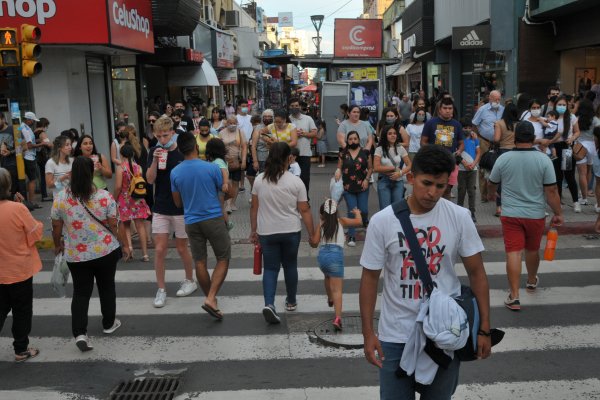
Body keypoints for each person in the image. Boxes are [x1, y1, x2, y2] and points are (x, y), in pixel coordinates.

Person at [360, 145, 491, 399]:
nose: (432, 193)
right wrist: (368, 334)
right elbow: (369, 278)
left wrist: (484, 328)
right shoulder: (383, 221)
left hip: (445, 333)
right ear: (410, 178)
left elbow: (477, 273)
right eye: (426, 183)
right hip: (396, 334)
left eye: (440, 186)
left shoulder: (459, 217)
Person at [51, 156, 130, 351]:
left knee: (80, 293)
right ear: (91, 173)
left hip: (77, 255)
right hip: (106, 251)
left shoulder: (61, 198)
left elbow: (56, 226)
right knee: (106, 287)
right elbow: (114, 224)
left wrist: (57, 245)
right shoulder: (104, 196)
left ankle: (80, 333)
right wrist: (125, 245)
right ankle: (109, 323)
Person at [487, 121, 563, 311]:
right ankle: (530, 281)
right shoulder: (543, 159)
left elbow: (492, 182)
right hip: (535, 214)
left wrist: (492, 194)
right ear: (532, 138)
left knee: (513, 252)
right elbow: (551, 191)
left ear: (515, 137)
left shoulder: (503, 159)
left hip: (511, 214)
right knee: (531, 250)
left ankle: (514, 296)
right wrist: (558, 213)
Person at [250, 142, 316, 324]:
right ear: (289, 158)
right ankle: (291, 300)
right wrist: (312, 234)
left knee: (270, 268)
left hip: (267, 232)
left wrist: (253, 230)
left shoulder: (259, 180)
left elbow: (254, 208)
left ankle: (269, 304)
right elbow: (305, 210)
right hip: (291, 231)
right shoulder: (296, 182)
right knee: (290, 266)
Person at [171, 132, 231, 320]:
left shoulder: (175, 172)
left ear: (180, 150)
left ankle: (211, 300)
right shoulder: (212, 168)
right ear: (196, 147)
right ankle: (211, 298)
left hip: (191, 221)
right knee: (223, 257)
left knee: (200, 261)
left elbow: (177, 203)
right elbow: (224, 193)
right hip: (213, 218)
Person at [146, 116, 197, 308]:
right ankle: (161, 289)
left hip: (182, 207)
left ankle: (190, 280)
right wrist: (154, 161)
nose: (162, 139)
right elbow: (150, 180)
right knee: (159, 249)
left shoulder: (182, 151)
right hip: (160, 205)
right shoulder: (153, 150)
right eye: (158, 136)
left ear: (173, 133)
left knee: (182, 247)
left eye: (165, 135)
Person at [0, 168, 43, 362]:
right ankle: (20, 348)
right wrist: (23, 207)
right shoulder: (18, 209)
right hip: (20, 270)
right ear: (8, 187)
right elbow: (35, 233)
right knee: (22, 310)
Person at [310, 199, 362, 331]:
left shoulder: (321, 225)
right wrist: (357, 212)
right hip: (335, 257)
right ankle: (338, 318)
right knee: (337, 290)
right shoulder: (341, 221)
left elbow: (315, 243)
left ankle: (329, 298)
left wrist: (313, 236)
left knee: (327, 276)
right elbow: (358, 222)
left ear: (322, 214)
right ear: (336, 213)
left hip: (323, 258)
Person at [421, 97, 464, 199]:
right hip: (434, 162)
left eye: (450, 108)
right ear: (440, 109)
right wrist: (432, 153)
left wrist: (459, 150)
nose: (447, 110)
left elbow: (461, 143)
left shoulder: (457, 124)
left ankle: (445, 213)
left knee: (447, 190)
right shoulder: (430, 123)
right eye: (445, 108)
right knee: (433, 189)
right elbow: (423, 142)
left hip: (450, 162)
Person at [335, 130, 373, 247]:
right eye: (350, 139)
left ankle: (364, 221)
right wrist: (337, 171)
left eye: (355, 139)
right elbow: (339, 167)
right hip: (348, 187)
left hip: (363, 186)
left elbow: (371, 168)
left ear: (358, 140)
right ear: (347, 140)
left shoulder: (365, 152)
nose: (353, 141)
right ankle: (351, 235)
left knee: (363, 210)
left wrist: (367, 179)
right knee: (352, 211)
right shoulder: (343, 153)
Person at [114, 144, 151, 262]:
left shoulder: (120, 168)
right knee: (140, 226)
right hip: (137, 199)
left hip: (124, 200)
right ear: (133, 154)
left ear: (121, 154)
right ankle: (145, 254)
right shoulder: (139, 167)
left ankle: (129, 250)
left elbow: (118, 186)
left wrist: (114, 199)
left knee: (126, 226)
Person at [472, 90, 504, 204]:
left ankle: (495, 193)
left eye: (499, 99)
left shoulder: (502, 109)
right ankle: (484, 195)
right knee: (483, 167)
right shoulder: (482, 110)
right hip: (484, 141)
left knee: (496, 167)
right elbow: (474, 124)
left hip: (497, 142)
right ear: (490, 98)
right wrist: (478, 139)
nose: (497, 101)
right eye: (495, 99)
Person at [549, 96, 580, 211]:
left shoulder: (571, 117)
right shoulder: (551, 117)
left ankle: (576, 202)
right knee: (557, 176)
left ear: (567, 106)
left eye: (564, 105)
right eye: (559, 104)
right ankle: (559, 202)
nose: (561, 107)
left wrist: (572, 138)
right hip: (555, 148)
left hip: (567, 148)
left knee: (569, 175)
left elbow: (577, 132)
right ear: (555, 105)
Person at [374, 125, 411, 210]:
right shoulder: (379, 149)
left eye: (394, 133)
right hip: (384, 180)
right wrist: (393, 168)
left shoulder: (400, 148)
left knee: (397, 209)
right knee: (385, 210)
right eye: (390, 133)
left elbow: (410, 165)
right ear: (385, 135)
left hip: (398, 181)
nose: (393, 135)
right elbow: (376, 168)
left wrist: (400, 173)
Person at [492, 103, 519, 216]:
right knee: (515, 181)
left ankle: (499, 207)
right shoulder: (519, 124)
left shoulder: (499, 123)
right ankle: (513, 205)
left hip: (503, 153)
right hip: (517, 153)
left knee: (501, 181)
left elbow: (496, 139)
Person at [289, 97, 317, 196]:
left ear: (300, 107)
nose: (295, 108)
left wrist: (303, 133)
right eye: (292, 106)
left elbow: (314, 133)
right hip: (290, 155)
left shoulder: (308, 119)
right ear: (289, 107)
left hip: (305, 153)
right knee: (291, 178)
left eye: (296, 106)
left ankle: (305, 198)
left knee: (304, 178)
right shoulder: (288, 119)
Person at [575, 99, 600, 207]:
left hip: (580, 146)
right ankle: (587, 191)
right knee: (589, 171)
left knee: (582, 173)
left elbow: (574, 132)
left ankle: (584, 198)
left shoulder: (577, 118)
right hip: (592, 146)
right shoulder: (595, 119)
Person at [220, 115, 247, 213]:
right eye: (230, 123)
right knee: (228, 182)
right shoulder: (221, 133)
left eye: (234, 123)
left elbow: (244, 147)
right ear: (226, 123)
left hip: (237, 160)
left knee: (236, 182)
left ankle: (233, 203)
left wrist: (243, 161)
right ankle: (227, 204)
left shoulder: (240, 132)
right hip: (225, 161)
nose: (232, 125)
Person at [205, 138, 233, 230]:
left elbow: (224, 172)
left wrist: (225, 183)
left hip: (220, 188)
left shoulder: (218, 161)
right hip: (219, 187)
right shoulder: (221, 160)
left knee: (220, 207)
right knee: (220, 206)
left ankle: (227, 223)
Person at [457, 119, 481, 222]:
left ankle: (472, 212)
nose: (467, 130)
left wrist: (474, 164)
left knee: (472, 191)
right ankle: (459, 211)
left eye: (469, 127)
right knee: (461, 190)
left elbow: (478, 152)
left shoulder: (474, 139)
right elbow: (456, 153)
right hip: (461, 169)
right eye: (465, 128)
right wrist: (465, 163)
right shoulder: (459, 140)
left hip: (473, 169)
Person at [20, 112, 42, 208]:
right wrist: (42, 144)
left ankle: (28, 201)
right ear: (28, 120)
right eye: (33, 120)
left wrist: (38, 141)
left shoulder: (22, 127)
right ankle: (31, 202)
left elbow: (29, 142)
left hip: (27, 156)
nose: (33, 122)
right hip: (28, 156)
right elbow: (29, 145)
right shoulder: (25, 129)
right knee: (32, 179)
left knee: (30, 179)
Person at [236, 99, 253, 193]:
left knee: (250, 164)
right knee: (241, 166)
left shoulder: (251, 117)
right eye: (243, 106)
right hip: (240, 145)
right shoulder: (236, 118)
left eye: (246, 106)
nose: (245, 108)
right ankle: (241, 185)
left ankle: (252, 187)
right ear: (238, 107)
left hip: (250, 145)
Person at [0, 113, 19, 197]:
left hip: (12, 165)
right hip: (1, 166)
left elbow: (24, 147)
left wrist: (10, 152)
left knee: (12, 190)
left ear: (3, 119)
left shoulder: (13, 129)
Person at [34, 117, 52, 202]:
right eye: (47, 125)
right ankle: (44, 195)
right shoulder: (42, 133)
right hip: (43, 156)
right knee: (44, 176)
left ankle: (44, 194)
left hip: (38, 156)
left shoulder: (34, 132)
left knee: (41, 175)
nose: (47, 127)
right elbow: (48, 144)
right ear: (44, 125)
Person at [251, 109, 275, 174]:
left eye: (269, 116)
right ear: (262, 117)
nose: (267, 118)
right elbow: (253, 146)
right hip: (262, 159)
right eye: (265, 116)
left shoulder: (275, 127)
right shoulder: (258, 128)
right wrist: (255, 161)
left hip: (275, 158)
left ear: (273, 117)